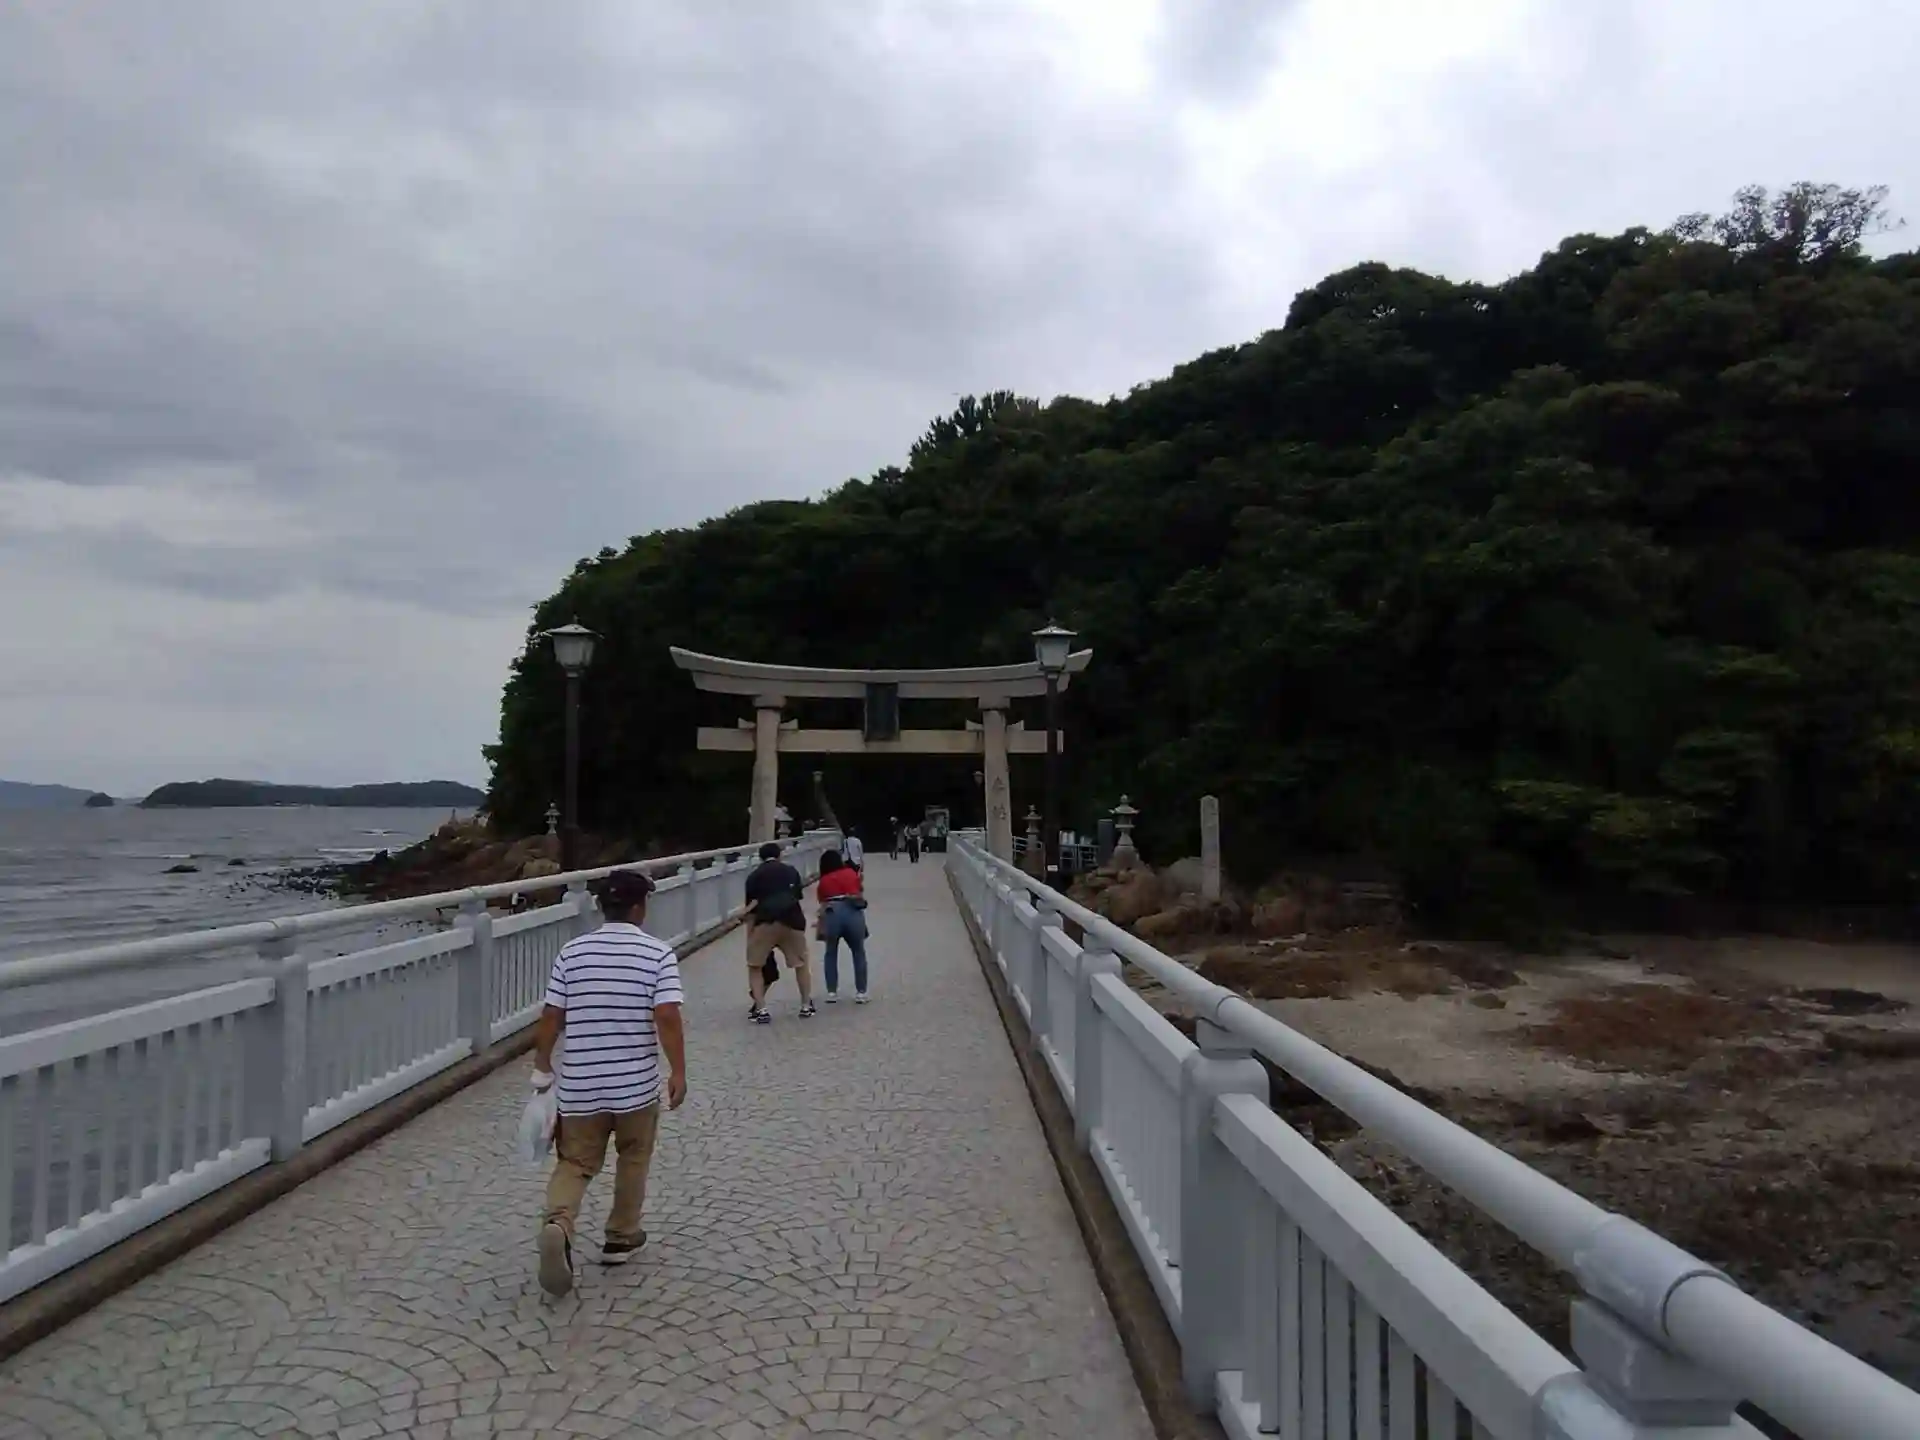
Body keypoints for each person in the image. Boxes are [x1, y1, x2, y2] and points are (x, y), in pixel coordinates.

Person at [531, 868, 686, 1298]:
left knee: (575, 1163)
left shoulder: (572, 953)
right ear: (639, 907)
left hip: (581, 1084)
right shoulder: (658, 954)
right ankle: (621, 1236)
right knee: (634, 1156)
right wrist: (678, 1071)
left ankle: (559, 1223)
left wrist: (542, 1064)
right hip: (634, 1086)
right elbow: (667, 1015)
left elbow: (552, 1015)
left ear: (601, 906)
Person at [743, 841, 814, 1023]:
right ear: (780, 855)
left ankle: (761, 1009)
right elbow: (796, 897)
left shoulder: (754, 876)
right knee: (801, 963)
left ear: (761, 858)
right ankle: (806, 1005)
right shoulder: (791, 871)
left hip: (765, 922)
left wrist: (750, 936)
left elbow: (751, 911)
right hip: (792, 921)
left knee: (755, 966)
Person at [815, 850, 871, 1003]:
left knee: (830, 952)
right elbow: (859, 891)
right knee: (858, 951)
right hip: (852, 912)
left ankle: (832, 992)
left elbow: (822, 901)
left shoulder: (824, 880)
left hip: (832, 913)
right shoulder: (850, 873)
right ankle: (861, 992)